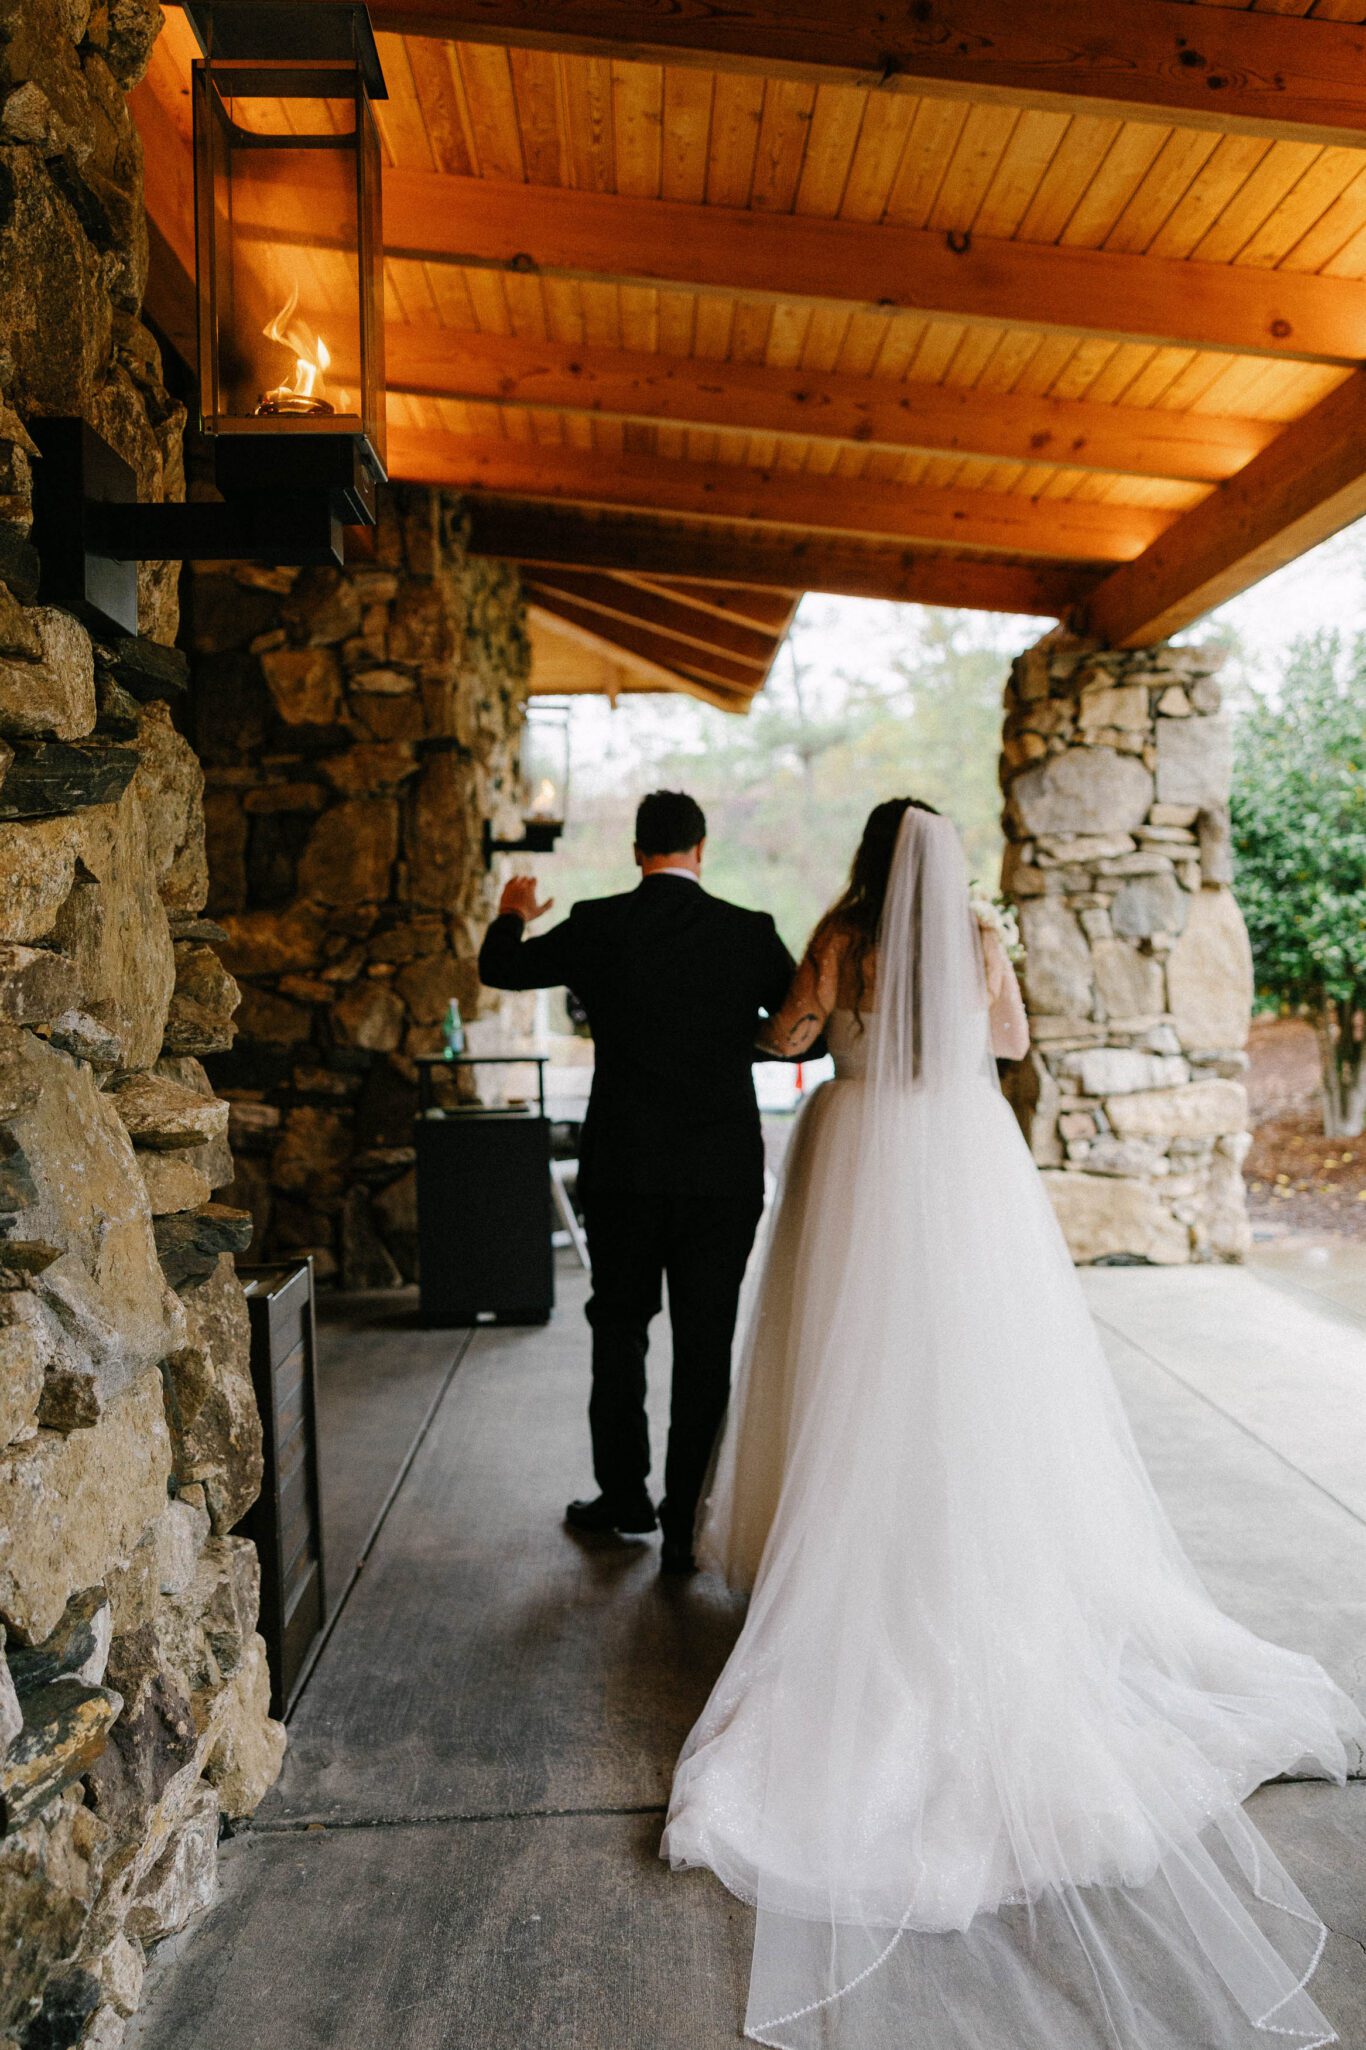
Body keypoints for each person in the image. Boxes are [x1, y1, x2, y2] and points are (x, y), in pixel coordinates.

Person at [662, 798, 1362, 2050]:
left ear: (868, 859)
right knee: (966, 1368)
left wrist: (819, 1029)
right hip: (961, 1160)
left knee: (839, 1364)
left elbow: (788, 1036)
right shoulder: (978, 936)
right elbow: (1011, 1037)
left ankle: (839, 1561)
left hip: (857, 1151)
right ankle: (970, 1550)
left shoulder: (838, 933)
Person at [478, 789, 805, 1575]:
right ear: (701, 848)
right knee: (704, 1343)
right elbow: (802, 1036)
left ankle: (622, 1497)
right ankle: (688, 1519)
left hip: (623, 1168)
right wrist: (734, 1053)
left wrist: (513, 908)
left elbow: (501, 968)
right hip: (721, 1174)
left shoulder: (597, 924)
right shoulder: (747, 931)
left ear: (636, 852)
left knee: (618, 1328)